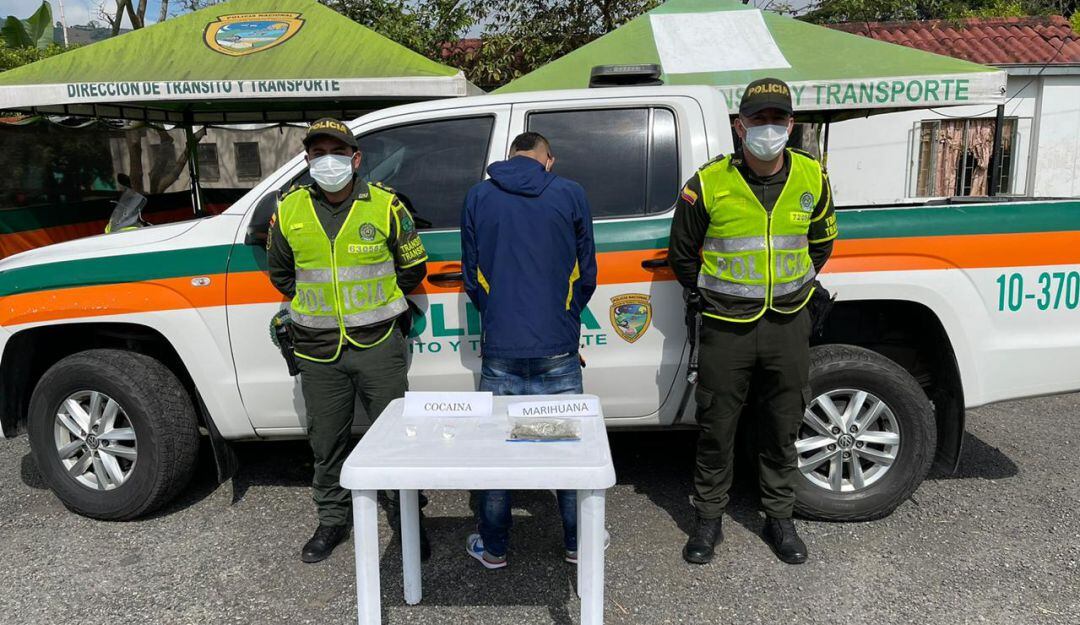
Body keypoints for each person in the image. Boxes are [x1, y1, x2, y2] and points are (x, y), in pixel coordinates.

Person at [668, 78, 838, 566]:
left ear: (791, 123)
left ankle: (779, 518)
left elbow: (821, 244)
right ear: (739, 127)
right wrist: (715, 294)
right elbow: (683, 254)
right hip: (726, 327)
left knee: (783, 427)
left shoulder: (813, 177)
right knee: (716, 428)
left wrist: (788, 288)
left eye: (777, 118)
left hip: (788, 323)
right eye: (758, 119)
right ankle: (708, 519)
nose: (768, 127)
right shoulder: (708, 183)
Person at [266, 118, 430, 563]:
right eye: (318, 154)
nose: (327, 161)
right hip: (317, 349)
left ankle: (407, 518)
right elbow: (281, 274)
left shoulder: (386, 206)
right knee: (326, 443)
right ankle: (332, 520)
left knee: (396, 437)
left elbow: (412, 269)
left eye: (336, 153)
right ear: (307, 161)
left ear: (355, 159)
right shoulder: (290, 209)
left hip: (378, 344)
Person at [460, 132, 598, 569]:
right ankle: (577, 544)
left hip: (501, 348)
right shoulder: (571, 193)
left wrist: (497, 318)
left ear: (511, 155)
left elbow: (472, 276)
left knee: (497, 452)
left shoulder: (478, 196)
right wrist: (564, 321)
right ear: (548, 159)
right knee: (569, 451)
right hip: (557, 348)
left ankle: (495, 548)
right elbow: (586, 274)